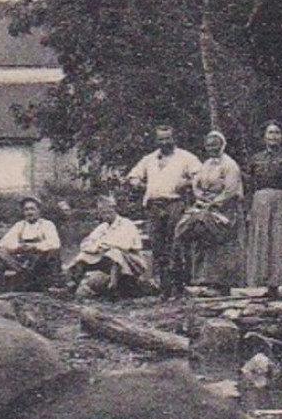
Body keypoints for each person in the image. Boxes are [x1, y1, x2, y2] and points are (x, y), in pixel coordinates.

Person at [124, 123, 199, 298]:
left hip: (175, 204)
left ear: (174, 138)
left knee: (176, 246)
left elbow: (200, 176)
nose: (165, 142)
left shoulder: (185, 157)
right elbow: (133, 176)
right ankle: (164, 289)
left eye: (168, 138)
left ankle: (179, 288)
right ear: (156, 140)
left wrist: (186, 183)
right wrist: (141, 184)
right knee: (158, 247)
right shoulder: (149, 159)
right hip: (154, 206)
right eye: (161, 139)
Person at [174, 129, 243, 294]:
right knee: (193, 232)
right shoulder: (206, 164)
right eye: (209, 145)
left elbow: (231, 191)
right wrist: (201, 198)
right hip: (205, 205)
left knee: (221, 244)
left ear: (222, 145)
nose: (212, 148)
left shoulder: (229, 165)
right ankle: (203, 280)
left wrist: (214, 202)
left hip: (225, 208)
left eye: (215, 145)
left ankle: (223, 283)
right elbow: (196, 185)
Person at [244, 121, 282, 300]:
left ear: (281, 136)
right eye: (270, 133)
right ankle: (272, 288)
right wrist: (249, 209)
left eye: (277, 133)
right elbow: (250, 184)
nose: (273, 136)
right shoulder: (256, 158)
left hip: (281, 203)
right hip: (261, 205)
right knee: (266, 245)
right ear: (264, 137)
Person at [65, 195, 151, 299]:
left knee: (114, 253)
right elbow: (87, 242)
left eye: (109, 212)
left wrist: (103, 245)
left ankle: (113, 285)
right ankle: (72, 284)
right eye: (103, 213)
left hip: (131, 260)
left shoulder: (126, 224)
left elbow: (124, 245)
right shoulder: (103, 227)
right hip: (105, 255)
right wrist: (95, 247)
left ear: (114, 210)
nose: (106, 215)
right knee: (83, 256)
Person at [0, 196, 62, 295]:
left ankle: (56, 286)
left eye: (32, 209)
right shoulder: (20, 225)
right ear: (23, 212)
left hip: (40, 263)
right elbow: (4, 242)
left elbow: (55, 243)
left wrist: (35, 247)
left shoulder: (47, 225)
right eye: (26, 210)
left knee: (53, 251)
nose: (29, 212)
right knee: (1, 252)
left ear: (39, 211)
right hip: (22, 262)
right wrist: (19, 247)